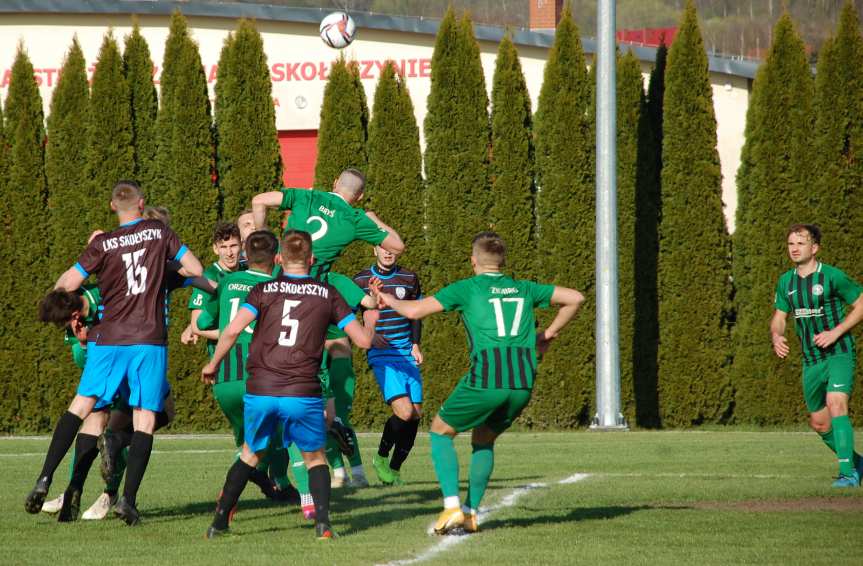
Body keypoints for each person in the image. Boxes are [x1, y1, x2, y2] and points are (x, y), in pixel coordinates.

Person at [370, 232, 584, 534]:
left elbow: (415, 310)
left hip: (488, 375)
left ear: (473, 261)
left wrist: (387, 298)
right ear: (503, 262)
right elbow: (575, 298)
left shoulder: (468, 288)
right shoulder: (524, 288)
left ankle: (451, 508)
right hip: (522, 380)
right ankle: (470, 514)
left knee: (440, 432)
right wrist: (548, 334)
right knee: (483, 439)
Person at [25, 181, 203, 525]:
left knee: (82, 407)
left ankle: (46, 477)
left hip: (106, 340)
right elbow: (195, 270)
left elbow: (69, 282)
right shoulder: (158, 231)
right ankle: (128, 500)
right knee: (146, 418)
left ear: (112, 206)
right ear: (142, 202)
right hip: (146, 340)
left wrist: (54, 299)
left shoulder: (103, 243)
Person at [203, 230, 377, 540]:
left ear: (280, 259)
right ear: (311, 260)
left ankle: (219, 523)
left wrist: (213, 363)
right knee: (315, 457)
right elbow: (363, 340)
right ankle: (323, 524)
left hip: (262, 388)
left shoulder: (263, 290)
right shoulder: (328, 293)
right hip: (302, 390)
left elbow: (231, 331)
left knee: (250, 454)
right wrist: (373, 311)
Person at [251, 168, 405, 487]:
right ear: (359, 196)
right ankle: (326, 431)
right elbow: (397, 245)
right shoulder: (354, 218)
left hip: (279, 292)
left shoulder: (307, 196)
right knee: (308, 382)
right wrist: (372, 218)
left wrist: (264, 242)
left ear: (334, 183)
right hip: (313, 301)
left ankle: (298, 471)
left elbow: (260, 200)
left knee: (278, 373)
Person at [194, 230, 299, 503]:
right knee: (272, 438)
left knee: (251, 442)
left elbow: (204, 322)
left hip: (224, 380)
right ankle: (265, 486)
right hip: (256, 376)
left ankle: (273, 487)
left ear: (245, 254)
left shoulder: (227, 282)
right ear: (275, 258)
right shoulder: (278, 286)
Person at [771, 223, 863, 488]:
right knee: (820, 423)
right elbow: (778, 318)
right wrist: (777, 336)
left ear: (815, 248)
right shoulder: (785, 282)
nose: (795, 248)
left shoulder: (832, 277)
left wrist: (837, 332)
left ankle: (847, 475)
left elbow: (860, 303)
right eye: (791, 244)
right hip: (811, 361)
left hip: (839, 353)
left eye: (801, 243)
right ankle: (858, 463)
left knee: (836, 404)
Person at [354, 246, 424, 485]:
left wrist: (415, 344)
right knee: (404, 411)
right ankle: (381, 457)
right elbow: (346, 316)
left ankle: (393, 470)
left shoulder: (409, 278)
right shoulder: (361, 280)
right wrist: (368, 335)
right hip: (382, 354)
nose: (388, 252)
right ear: (374, 249)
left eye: (392, 249)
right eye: (383, 247)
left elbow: (416, 314)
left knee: (415, 415)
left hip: (406, 352)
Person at [181, 223, 243, 347]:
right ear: (215, 249)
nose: (229, 252)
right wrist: (232, 335)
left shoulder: (247, 270)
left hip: (246, 350)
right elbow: (196, 326)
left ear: (242, 245)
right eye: (223, 247)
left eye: (233, 246)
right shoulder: (209, 277)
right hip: (221, 351)